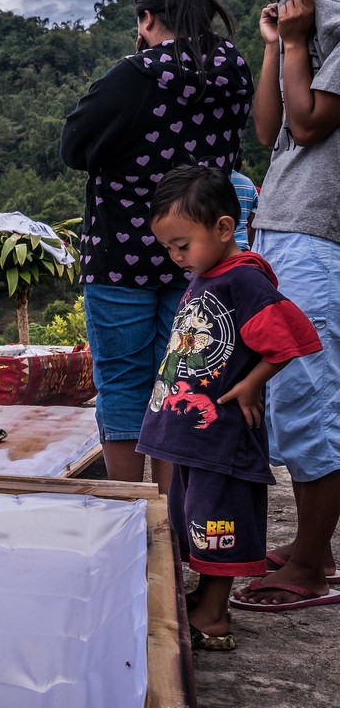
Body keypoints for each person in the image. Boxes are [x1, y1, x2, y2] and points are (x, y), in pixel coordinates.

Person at [60, 0, 252, 488]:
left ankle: (130, 508)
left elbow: (74, 146)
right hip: (198, 254)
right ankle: (172, 514)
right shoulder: (233, 67)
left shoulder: (135, 74)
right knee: (180, 382)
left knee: (123, 382)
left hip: (121, 253)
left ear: (147, 18)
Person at [137, 164, 321, 649]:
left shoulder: (244, 280)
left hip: (221, 437)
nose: (177, 258)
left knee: (219, 523)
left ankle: (214, 616)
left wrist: (251, 384)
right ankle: (202, 597)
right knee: (193, 520)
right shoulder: (210, 272)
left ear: (223, 228)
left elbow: (291, 339)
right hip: (192, 436)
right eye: (169, 249)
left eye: (183, 245)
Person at [234, 0, 340, 609]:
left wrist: (300, 41)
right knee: (288, 391)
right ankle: (312, 545)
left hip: (316, 236)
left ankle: (309, 567)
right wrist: (278, 46)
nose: (286, 3)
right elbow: (269, 128)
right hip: (284, 227)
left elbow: (308, 124)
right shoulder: (306, 40)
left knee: (309, 393)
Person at [229, 162, 258, 251]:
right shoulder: (248, 183)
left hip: (213, 250)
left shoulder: (207, 181)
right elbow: (254, 223)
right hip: (241, 246)